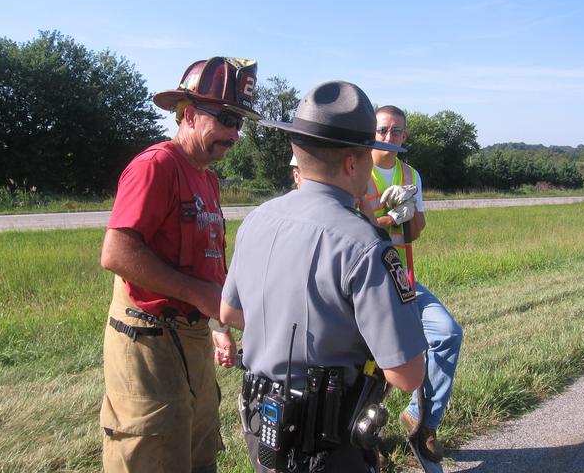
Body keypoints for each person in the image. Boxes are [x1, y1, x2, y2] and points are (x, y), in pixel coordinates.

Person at [219, 81, 428, 472]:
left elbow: (230, 313)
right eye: (370, 153)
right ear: (353, 163)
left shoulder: (256, 219)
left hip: (261, 426)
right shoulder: (365, 245)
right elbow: (407, 374)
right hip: (327, 444)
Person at [99, 56, 260, 473]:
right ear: (188, 115)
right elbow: (116, 253)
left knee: (198, 453)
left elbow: (208, 265)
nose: (234, 134)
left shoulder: (206, 177)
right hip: (147, 344)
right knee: (153, 457)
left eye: (240, 123)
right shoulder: (156, 166)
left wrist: (218, 327)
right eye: (225, 118)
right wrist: (201, 296)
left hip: (191, 341)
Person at [362, 105, 463, 463]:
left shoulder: (410, 174)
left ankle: (423, 419)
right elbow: (353, 231)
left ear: (405, 136)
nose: (389, 137)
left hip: (403, 280)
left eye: (397, 131)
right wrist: (390, 216)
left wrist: (410, 209)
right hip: (366, 284)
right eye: (383, 130)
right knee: (375, 365)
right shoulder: (357, 169)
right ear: (371, 131)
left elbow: (415, 233)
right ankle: (363, 439)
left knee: (448, 333)